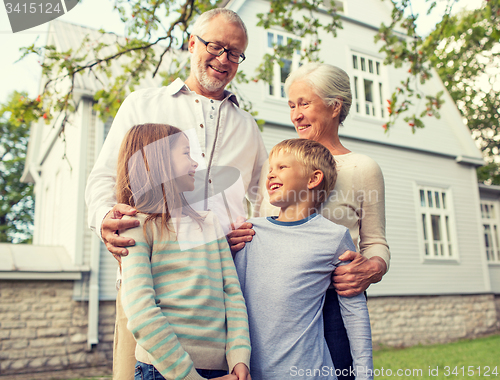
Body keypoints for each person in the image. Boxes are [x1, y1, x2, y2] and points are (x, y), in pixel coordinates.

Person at [84, 9, 267, 380]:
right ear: (191, 44)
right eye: (215, 47)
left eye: (235, 53)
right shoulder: (142, 104)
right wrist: (106, 217)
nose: (224, 59)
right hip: (149, 285)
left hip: (220, 296)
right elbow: (104, 176)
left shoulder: (247, 126)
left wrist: (252, 234)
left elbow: (267, 200)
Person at [228, 62, 390, 379]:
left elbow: (375, 241)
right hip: (277, 304)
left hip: (335, 300)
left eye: (304, 103)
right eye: (291, 105)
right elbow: (263, 224)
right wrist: (240, 239)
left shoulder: (362, 168)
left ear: (334, 106)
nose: (296, 115)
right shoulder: (278, 167)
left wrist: (372, 268)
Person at [116, 123, 251, 380]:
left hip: (223, 371)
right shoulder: (136, 228)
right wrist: (189, 377)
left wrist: (239, 359)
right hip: (161, 371)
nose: (195, 164)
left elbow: (232, 294)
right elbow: (141, 311)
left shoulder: (209, 223)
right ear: (156, 161)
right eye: (186, 153)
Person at [234, 139, 373, 380]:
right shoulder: (248, 233)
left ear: (313, 179)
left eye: (281, 167)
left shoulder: (334, 237)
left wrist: (364, 375)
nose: (270, 175)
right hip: (250, 374)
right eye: (270, 169)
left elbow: (355, 314)